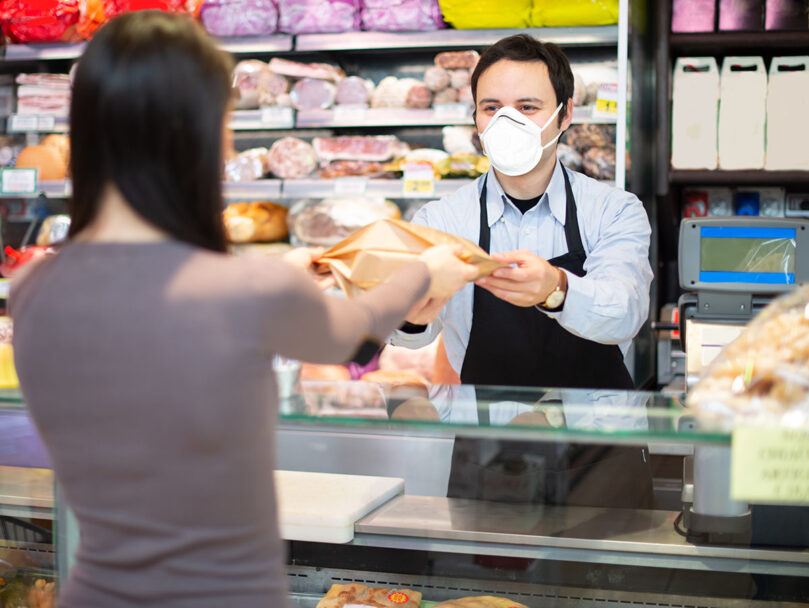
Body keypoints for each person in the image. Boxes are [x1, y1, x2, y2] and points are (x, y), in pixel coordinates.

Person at [9, 11, 477, 607]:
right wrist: (424, 271)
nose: (229, 144)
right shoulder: (243, 291)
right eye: (226, 123)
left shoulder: (34, 288)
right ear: (193, 134)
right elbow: (356, 335)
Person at [390, 34, 655, 508]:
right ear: (475, 116)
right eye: (492, 107)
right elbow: (411, 338)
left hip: (599, 452)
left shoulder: (613, 210)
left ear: (566, 113)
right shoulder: (441, 220)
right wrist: (410, 311)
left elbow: (626, 313)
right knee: (483, 581)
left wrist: (556, 289)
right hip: (488, 451)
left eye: (527, 107)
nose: (507, 121)